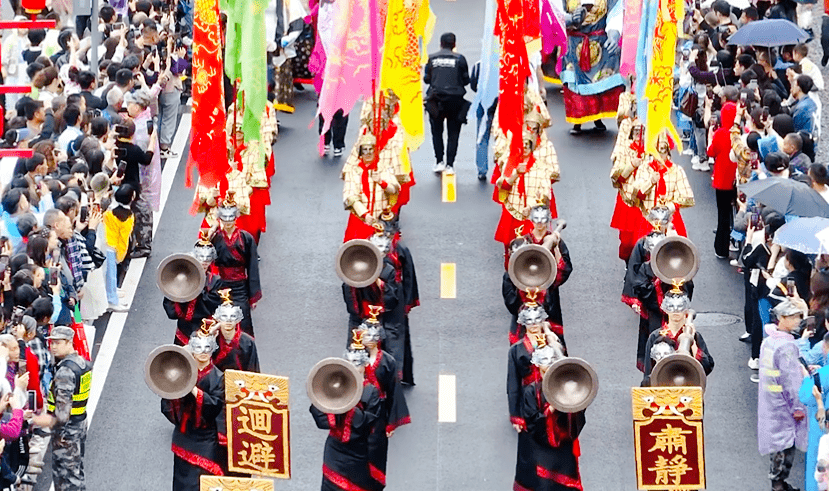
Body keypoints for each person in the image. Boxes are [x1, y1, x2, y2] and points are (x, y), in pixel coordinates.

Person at [309, 333, 381, 491]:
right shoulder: (336, 384)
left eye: (357, 364)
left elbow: (370, 422)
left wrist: (349, 405)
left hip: (358, 452)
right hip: (335, 450)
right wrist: (324, 398)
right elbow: (321, 420)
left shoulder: (371, 391)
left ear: (363, 366)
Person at [160, 328, 226, 490]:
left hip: (207, 439)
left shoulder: (219, 378)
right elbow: (168, 403)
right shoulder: (182, 373)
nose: (203, 352)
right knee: (182, 483)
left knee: (202, 483)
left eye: (207, 347)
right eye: (198, 347)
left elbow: (215, 406)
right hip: (184, 435)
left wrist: (193, 389)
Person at [518, 337, 586, 490]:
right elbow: (532, 422)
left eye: (551, 365)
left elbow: (578, 412)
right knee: (544, 485)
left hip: (563, 447)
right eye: (544, 366)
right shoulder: (531, 391)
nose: (547, 370)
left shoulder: (567, 385)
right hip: (540, 449)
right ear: (537, 366)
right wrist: (551, 409)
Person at [758, 296, 810, 491]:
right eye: (795, 317)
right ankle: (778, 485)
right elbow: (791, 382)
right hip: (784, 409)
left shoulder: (769, 341)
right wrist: (798, 407)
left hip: (771, 405)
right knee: (784, 449)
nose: (798, 321)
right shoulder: (786, 346)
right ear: (783, 319)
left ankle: (779, 483)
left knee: (777, 447)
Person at [31, 326, 91, 491]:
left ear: (69, 342)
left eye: (58, 342)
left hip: (66, 432)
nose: (53, 346)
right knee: (76, 472)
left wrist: (35, 419)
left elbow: (62, 414)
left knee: (66, 479)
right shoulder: (82, 363)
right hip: (79, 425)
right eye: (51, 342)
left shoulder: (65, 370)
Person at [357, 322, 410, 490]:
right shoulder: (357, 358)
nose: (363, 338)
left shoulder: (388, 361)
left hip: (379, 412)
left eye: (366, 335)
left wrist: (391, 423)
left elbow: (394, 391)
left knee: (376, 452)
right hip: (359, 408)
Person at [561, 0, 623, 134]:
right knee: (575, 83)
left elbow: (615, 13)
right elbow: (555, 13)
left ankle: (597, 116)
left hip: (600, 42)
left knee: (600, 79)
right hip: (574, 44)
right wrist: (570, 19)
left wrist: (614, 35)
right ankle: (577, 119)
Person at [209, 193, 261, 336]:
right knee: (219, 322)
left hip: (240, 286)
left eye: (230, 218)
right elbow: (206, 261)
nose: (227, 222)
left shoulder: (246, 238)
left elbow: (252, 268)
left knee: (243, 323)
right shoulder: (216, 238)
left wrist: (252, 296)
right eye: (224, 219)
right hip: (220, 285)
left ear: (236, 218)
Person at [641, 288, 715, 383]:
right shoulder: (655, 337)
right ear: (665, 309)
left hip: (688, 387)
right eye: (671, 307)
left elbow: (706, 368)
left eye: (680, 307)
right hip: (662, 387)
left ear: (686, 310)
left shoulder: (695, 336)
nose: (675, 311)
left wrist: (693, 343)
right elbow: (648, 371)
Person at [163, 233, 224, 346]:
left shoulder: (215, 281)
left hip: (206, 328)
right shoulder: (182, 278)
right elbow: (170, 304)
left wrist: (199, 293)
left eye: (208, 258)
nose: (205, 262)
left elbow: (215, 306)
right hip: (184, 329)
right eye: (201, 258)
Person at [423, 32, 470, 176]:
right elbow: (466, 80)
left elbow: (426, 79)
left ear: (441, 44)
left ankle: (439, 162)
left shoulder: (431, 58)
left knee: (436, 132)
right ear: (454, 44)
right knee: (453, 133)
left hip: (435, 100)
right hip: (455, 101)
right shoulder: (460, 59)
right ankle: (450, 164)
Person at [707, 102, 739, 259]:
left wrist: (711, 136)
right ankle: (735, 241)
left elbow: (711, 152)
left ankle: (721, 248)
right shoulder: (739, 133)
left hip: (722, 181)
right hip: (737, 180)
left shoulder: (720, 133)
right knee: (737, 212)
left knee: (723, 215)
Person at [210, 289, 259, 373]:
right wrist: (210, 334)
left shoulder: (248, 342)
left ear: (237, 320)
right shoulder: (213, 340)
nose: (228, 320)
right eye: (224, 316)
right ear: (218, 319)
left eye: (232, 316)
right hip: (217, 384)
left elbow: (253, 372)